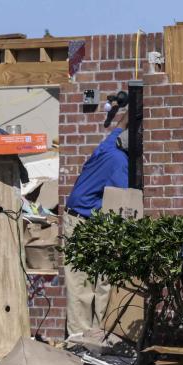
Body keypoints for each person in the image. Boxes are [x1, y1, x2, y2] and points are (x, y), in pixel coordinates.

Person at [61, 109, 128, 337]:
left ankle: (91, 337)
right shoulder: (120, 163)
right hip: (84, 223)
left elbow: (120, 123)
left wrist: (135, 107)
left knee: (87, 284)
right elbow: (122, 202)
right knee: (91, 285)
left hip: (77, 218)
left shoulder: (109, 144)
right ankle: (85, 340)